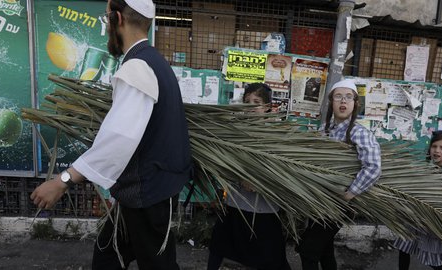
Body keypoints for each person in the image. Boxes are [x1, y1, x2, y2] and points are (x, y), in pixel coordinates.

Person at [30, 0, 192, 269]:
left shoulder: (137, 68)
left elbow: (119, 138)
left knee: (156, 264)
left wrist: (63, 180)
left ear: (117, 19)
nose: (106, 29)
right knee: (108, 253)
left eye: (106, 21)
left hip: (147, 194)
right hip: (143, 191)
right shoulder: (154, 62)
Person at [296, 79, 381, 270]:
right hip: (321, 201)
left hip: (340, 204)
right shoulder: (324, 131)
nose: (343, 101)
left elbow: (373, 167)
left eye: (348, 97)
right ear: (331, 101)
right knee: (324, 250)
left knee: (308, 251)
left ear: (355, 103)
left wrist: (350, 193)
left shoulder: (360, 133)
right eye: (338, 97)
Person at [207, 83, 291, 270]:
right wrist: (237, 178)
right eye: (247, 102)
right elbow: (224, 165)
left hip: (264, 211)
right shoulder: (235, 133)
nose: (251, 106)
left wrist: (260, 182)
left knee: (269, 259)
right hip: (235, 205)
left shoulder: (278, 136)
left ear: (268, 106)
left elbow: (285, 172)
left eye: (257, 102)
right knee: (219, 250)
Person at [393, 130, 442, 270]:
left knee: (432, 260)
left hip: (429, 223)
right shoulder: (428, 168)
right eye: (434, 146)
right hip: (414, 218)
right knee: (404, 249)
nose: (436, 151)